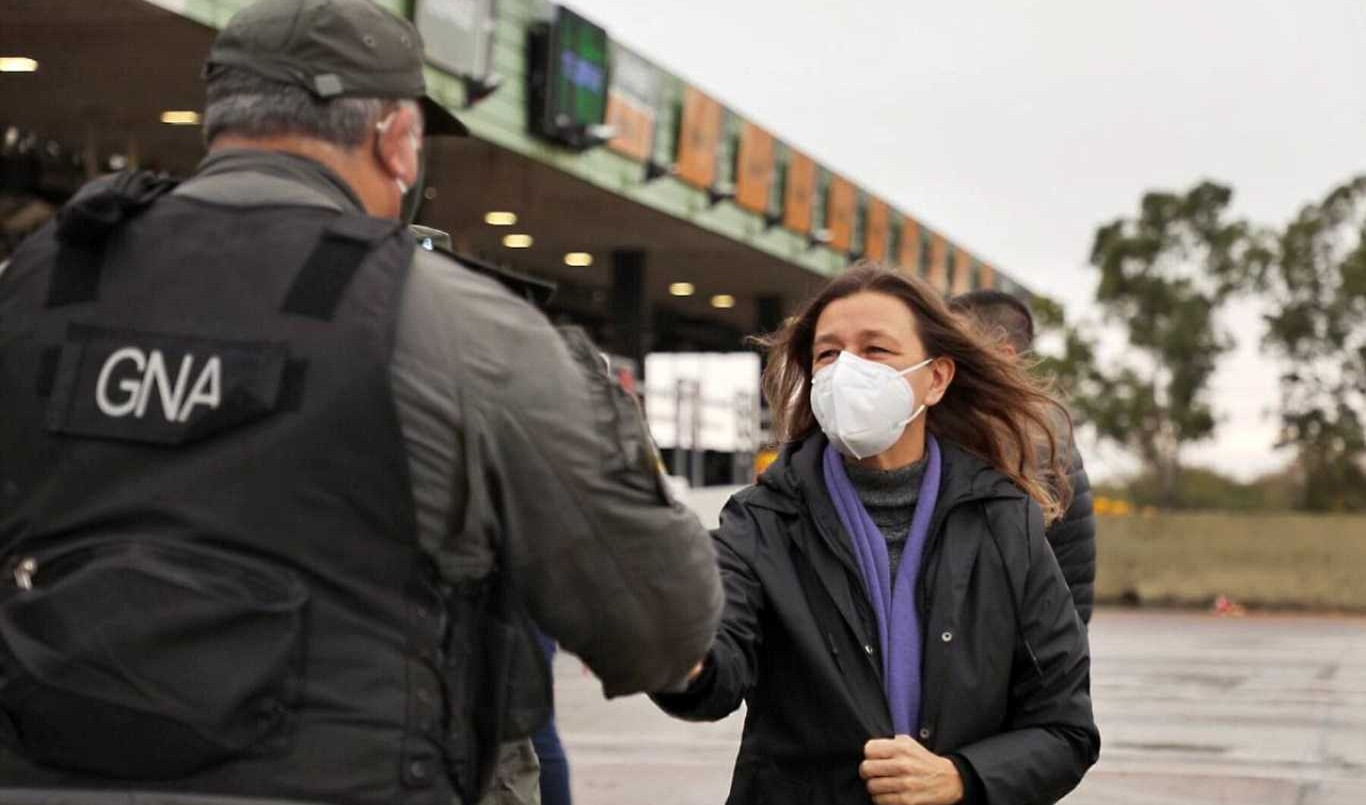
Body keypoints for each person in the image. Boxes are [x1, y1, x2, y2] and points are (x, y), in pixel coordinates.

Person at [0, 2, 723, 804]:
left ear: (223, 119)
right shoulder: (451, 322)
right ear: (394, 138)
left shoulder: (41, 285)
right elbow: (662, 625)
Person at [653, 264, 1099, 804]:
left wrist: (962, 777)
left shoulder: (1004, 522)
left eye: (875, 350)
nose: (846, 370)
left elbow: (1065, 729)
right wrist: (677, 646)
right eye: (828, 354)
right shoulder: (762, 521)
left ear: (936, 378)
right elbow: (716, 674)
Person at [949, 289, 1097, 624]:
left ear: (1004, 355)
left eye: (955, 348)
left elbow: (1070, 600)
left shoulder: (1052, 458)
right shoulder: (934, 436)